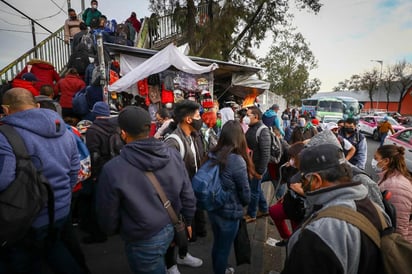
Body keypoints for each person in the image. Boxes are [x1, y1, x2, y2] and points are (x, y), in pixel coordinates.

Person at [96, 106, 196, 274]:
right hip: (173, 224)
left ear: (123, 133)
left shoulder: (113, 169)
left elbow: (107, 213)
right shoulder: (172, 154)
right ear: (150, 128)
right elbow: (187, 193)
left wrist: (116, 230)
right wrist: (188, 220)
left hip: (142, 235)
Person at [0, 88, 85, 273]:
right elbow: (74, 169)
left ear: (5, 110)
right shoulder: (64, 129)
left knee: (21, 262)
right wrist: (63, 196)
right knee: (56, 250)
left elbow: (4, 180)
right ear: (36, 105)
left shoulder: (4, 136)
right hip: (61, 210)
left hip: (27, 218)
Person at [281, 143, 390, 274]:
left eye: (303, 180)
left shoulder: (319, 233)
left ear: (316, 180)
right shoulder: (378, 210)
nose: (302, 186)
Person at [205, 120, 253, 274]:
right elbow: (245, 192)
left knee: (218, 244)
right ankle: (220, 270)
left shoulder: (213, 152)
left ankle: (221, 268)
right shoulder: (237, 160)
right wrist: (246, 204)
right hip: (229, 211)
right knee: (223, 248)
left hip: (213, 206)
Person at [164, 100, 204, 273]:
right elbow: (168, 179)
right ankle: (170, 264)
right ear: (188, 119)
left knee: (185, 230)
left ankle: (183, 254)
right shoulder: (173, 143)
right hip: (176, 198)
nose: (200, 119)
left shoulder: (193, 136)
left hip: (189, 195)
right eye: (198, 115)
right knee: (174, 232)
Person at [80, 102, 120, 244]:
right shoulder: (116, 127)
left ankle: (98, 233)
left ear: (95, 113)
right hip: (116, 167)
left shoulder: (93, 130)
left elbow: (94, 155)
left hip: (102, 170)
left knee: (98, 203)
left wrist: (94, 175)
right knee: (114, 199)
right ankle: (115, 228)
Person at [269, 142, 306, 247]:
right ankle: (286, 238)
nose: (291, 160)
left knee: (297, 233)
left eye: (293, 157)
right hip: (290, 201)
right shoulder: (294, 169)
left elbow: (315, 194)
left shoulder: (310, 172)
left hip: (301, 208)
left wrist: (300, 190)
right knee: (273, 211)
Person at [373, 145, 412, 242]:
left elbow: (399, 227)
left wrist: (394, 251)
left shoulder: (396, 187)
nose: (374, 162)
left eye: (376, 158)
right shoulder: (389, 177)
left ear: (386, 161)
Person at [243, 106, 271, 223]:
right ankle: (264, 209)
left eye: (248, 115)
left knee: (254, 191)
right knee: (256, 188)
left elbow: (265, 153)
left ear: (256, 116)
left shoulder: (263, 130)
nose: (245, 117)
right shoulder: (252, 127)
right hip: (252, 164)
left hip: (257, 166)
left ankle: (252, 214)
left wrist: (259, 171)